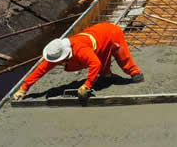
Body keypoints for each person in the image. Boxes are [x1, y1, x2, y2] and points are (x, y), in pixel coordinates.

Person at [11, 22, 143, 101]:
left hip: (111, 33)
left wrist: (87, 85)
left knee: (122, 56)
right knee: (102, 64)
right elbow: (41, 69)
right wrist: (23, 89)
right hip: (98, 39)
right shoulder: (57, 51)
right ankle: (107, 76)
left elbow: (94, 64)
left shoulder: (80, 49)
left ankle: (136, 74)